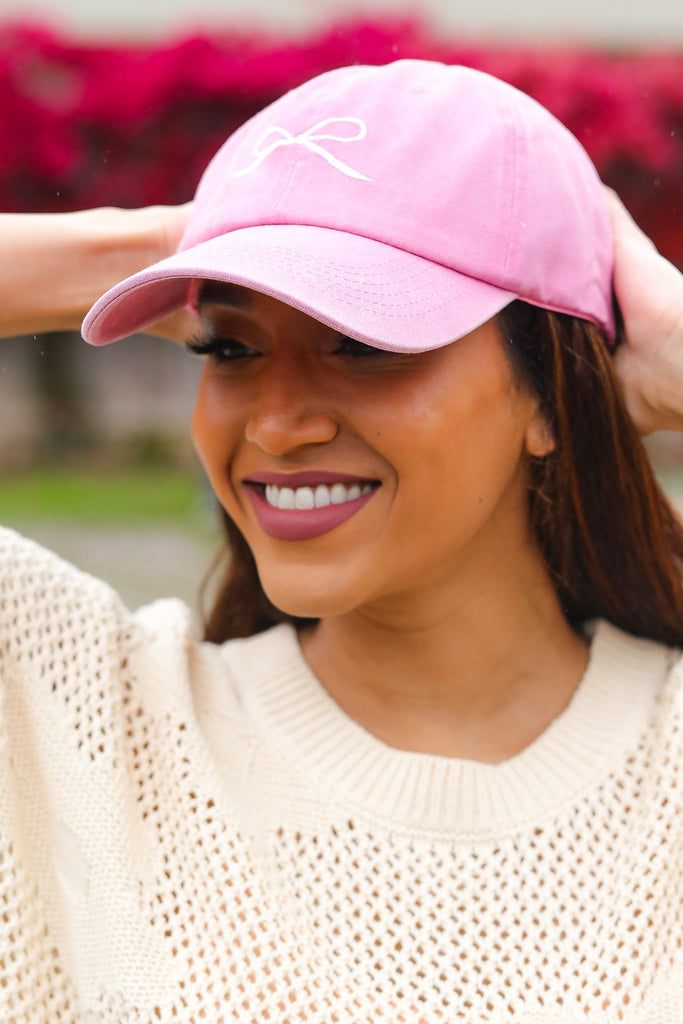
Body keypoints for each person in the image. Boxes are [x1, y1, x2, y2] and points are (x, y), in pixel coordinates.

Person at [1, 59, 682, 1023]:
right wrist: (179, 245)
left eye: (364, 343)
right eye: (231, 347)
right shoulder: (76, 716)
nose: (275, 427)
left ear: (550, 393)